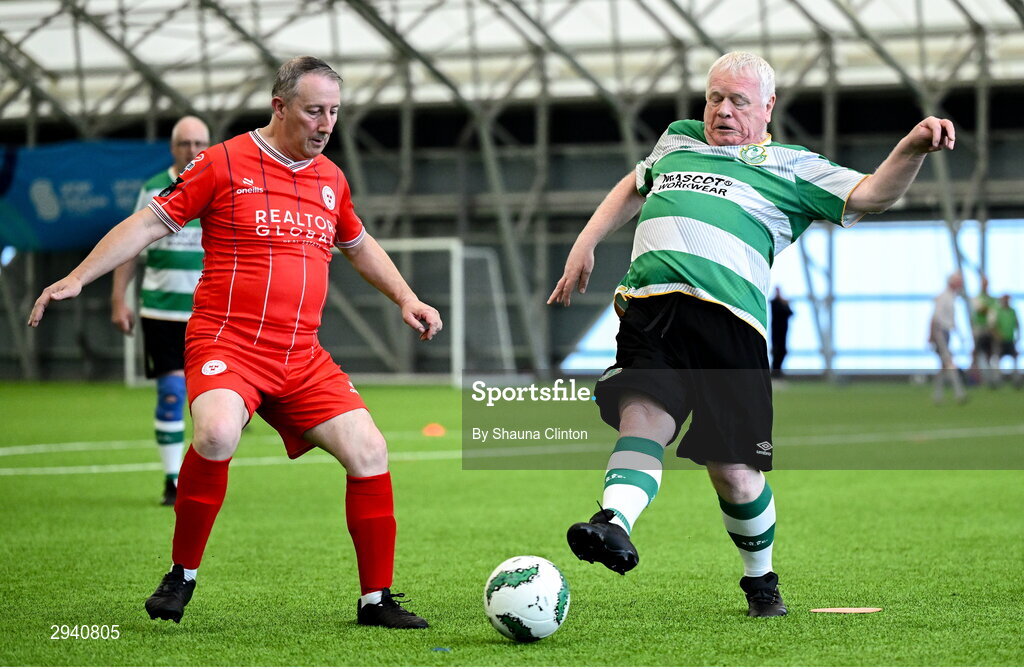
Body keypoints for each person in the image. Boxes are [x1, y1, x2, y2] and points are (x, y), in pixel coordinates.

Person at [29, 56, 442, 629]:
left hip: (301, 355)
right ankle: (181, 577)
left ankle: (376, 600)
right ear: (280, 107)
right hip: (230, 343)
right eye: (314, 111)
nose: (326, 124)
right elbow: (149, 223)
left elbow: (359, 244)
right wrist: (79, 276)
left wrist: (406, 297)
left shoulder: (331, 180)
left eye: (335, 112)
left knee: (370, 451)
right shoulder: (223, 162)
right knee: (218, 432)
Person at [548, 51, 955, 617]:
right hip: (649, 311)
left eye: (738, 100)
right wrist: (585, 243)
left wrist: (910, 148)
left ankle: (761, 582)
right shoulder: (678, 139)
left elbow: (871, 195)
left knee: (734, 473)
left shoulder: (790, 166)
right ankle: (613, 522)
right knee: (643, 414)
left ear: (767, 107)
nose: (722, 110)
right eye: (715, 97)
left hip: (728, 327)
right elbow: (633, 185)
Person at [111, 116, 210, 506]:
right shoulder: (153, 188)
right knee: (172, 393)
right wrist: (119, 298)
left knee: (211, 405)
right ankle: (173, 480)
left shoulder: (220, 186)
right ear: (173, 148)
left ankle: (202, 478)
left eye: (200, 143)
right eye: (185, 143)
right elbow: (129, 244)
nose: (193, 150)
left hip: (210, 315)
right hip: (161, 312)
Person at [930, 272, 967, 404]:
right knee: (949, 362)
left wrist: (959, 335)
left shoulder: (952, 297)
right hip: (941, 333)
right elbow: (937, 318)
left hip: (946, 332)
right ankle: (959, 393)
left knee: (944, 365)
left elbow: (952, 320)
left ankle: (937, 396)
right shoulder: (944, 297)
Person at [968, 276, 996, 387]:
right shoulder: (978, 298)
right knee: (975, 353)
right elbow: (981, 310)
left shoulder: (991, 299)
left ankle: (989, 379)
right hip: (979, 330)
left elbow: (992, 313)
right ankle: (972, 378)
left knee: (989, 355)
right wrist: (989, 311)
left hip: (989, 330)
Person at [992, 294, 1020, 387]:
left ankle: (1017, 381)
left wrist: (1018, 337)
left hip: (1010, 339)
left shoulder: (1013, 311)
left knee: (1015, 359)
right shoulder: (997, 311)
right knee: (997, 360)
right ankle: (997, 381)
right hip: (1001, 341)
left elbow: (1017, 324)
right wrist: (997, 336)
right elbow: (993, 326)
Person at [769, 287, 793, 378]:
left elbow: (790, 313)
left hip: (783, 332)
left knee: (782, 352)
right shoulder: (775, 303)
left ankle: (777, 373)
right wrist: (785, 303)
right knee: (777, 352)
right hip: (776, 332)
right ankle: (775, 373)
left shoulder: (781, 303)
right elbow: (785, 311)